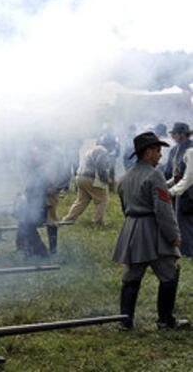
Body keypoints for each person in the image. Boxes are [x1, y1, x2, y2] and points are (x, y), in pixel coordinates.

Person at [113, 132, 188, 329]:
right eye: (157, 151)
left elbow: (124, 208)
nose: (160, 155)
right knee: (170, 273)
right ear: (147, 153)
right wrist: (174, 236)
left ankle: (125, 321)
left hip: (131, 230)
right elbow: (163, 210)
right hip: (152, 231)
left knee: (131, 278)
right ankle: (165, 320)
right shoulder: (155, 175)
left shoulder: (125, 177)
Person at [61, 134, 117, 227]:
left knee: (81, 201)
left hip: (80, 177)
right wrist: (106, 179)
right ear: (110, 144)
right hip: (90, 178)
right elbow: (101, 166)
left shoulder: (93, 149)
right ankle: (98, 222)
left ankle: (68, 219)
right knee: (102, 200)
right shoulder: (102, 150)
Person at [168, 139, 193, 257]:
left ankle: (187, 252)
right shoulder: (181, 149)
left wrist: (172, 191)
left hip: (188, 194)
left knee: (184, 224)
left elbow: (188, 177)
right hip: (186, 191)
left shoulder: (190, 151)